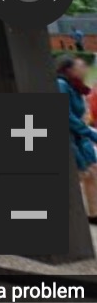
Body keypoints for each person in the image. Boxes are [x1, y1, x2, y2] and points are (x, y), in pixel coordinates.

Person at [58, 55, 97, 222]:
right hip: (70, 138)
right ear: (69, 69)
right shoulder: (61, 85)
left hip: (80, 139)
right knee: (80, 175)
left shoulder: (76, 87)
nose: (85, 69)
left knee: (93, 173)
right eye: (81, 65)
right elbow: (66, 116)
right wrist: (90, 133)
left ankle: (94, 214)